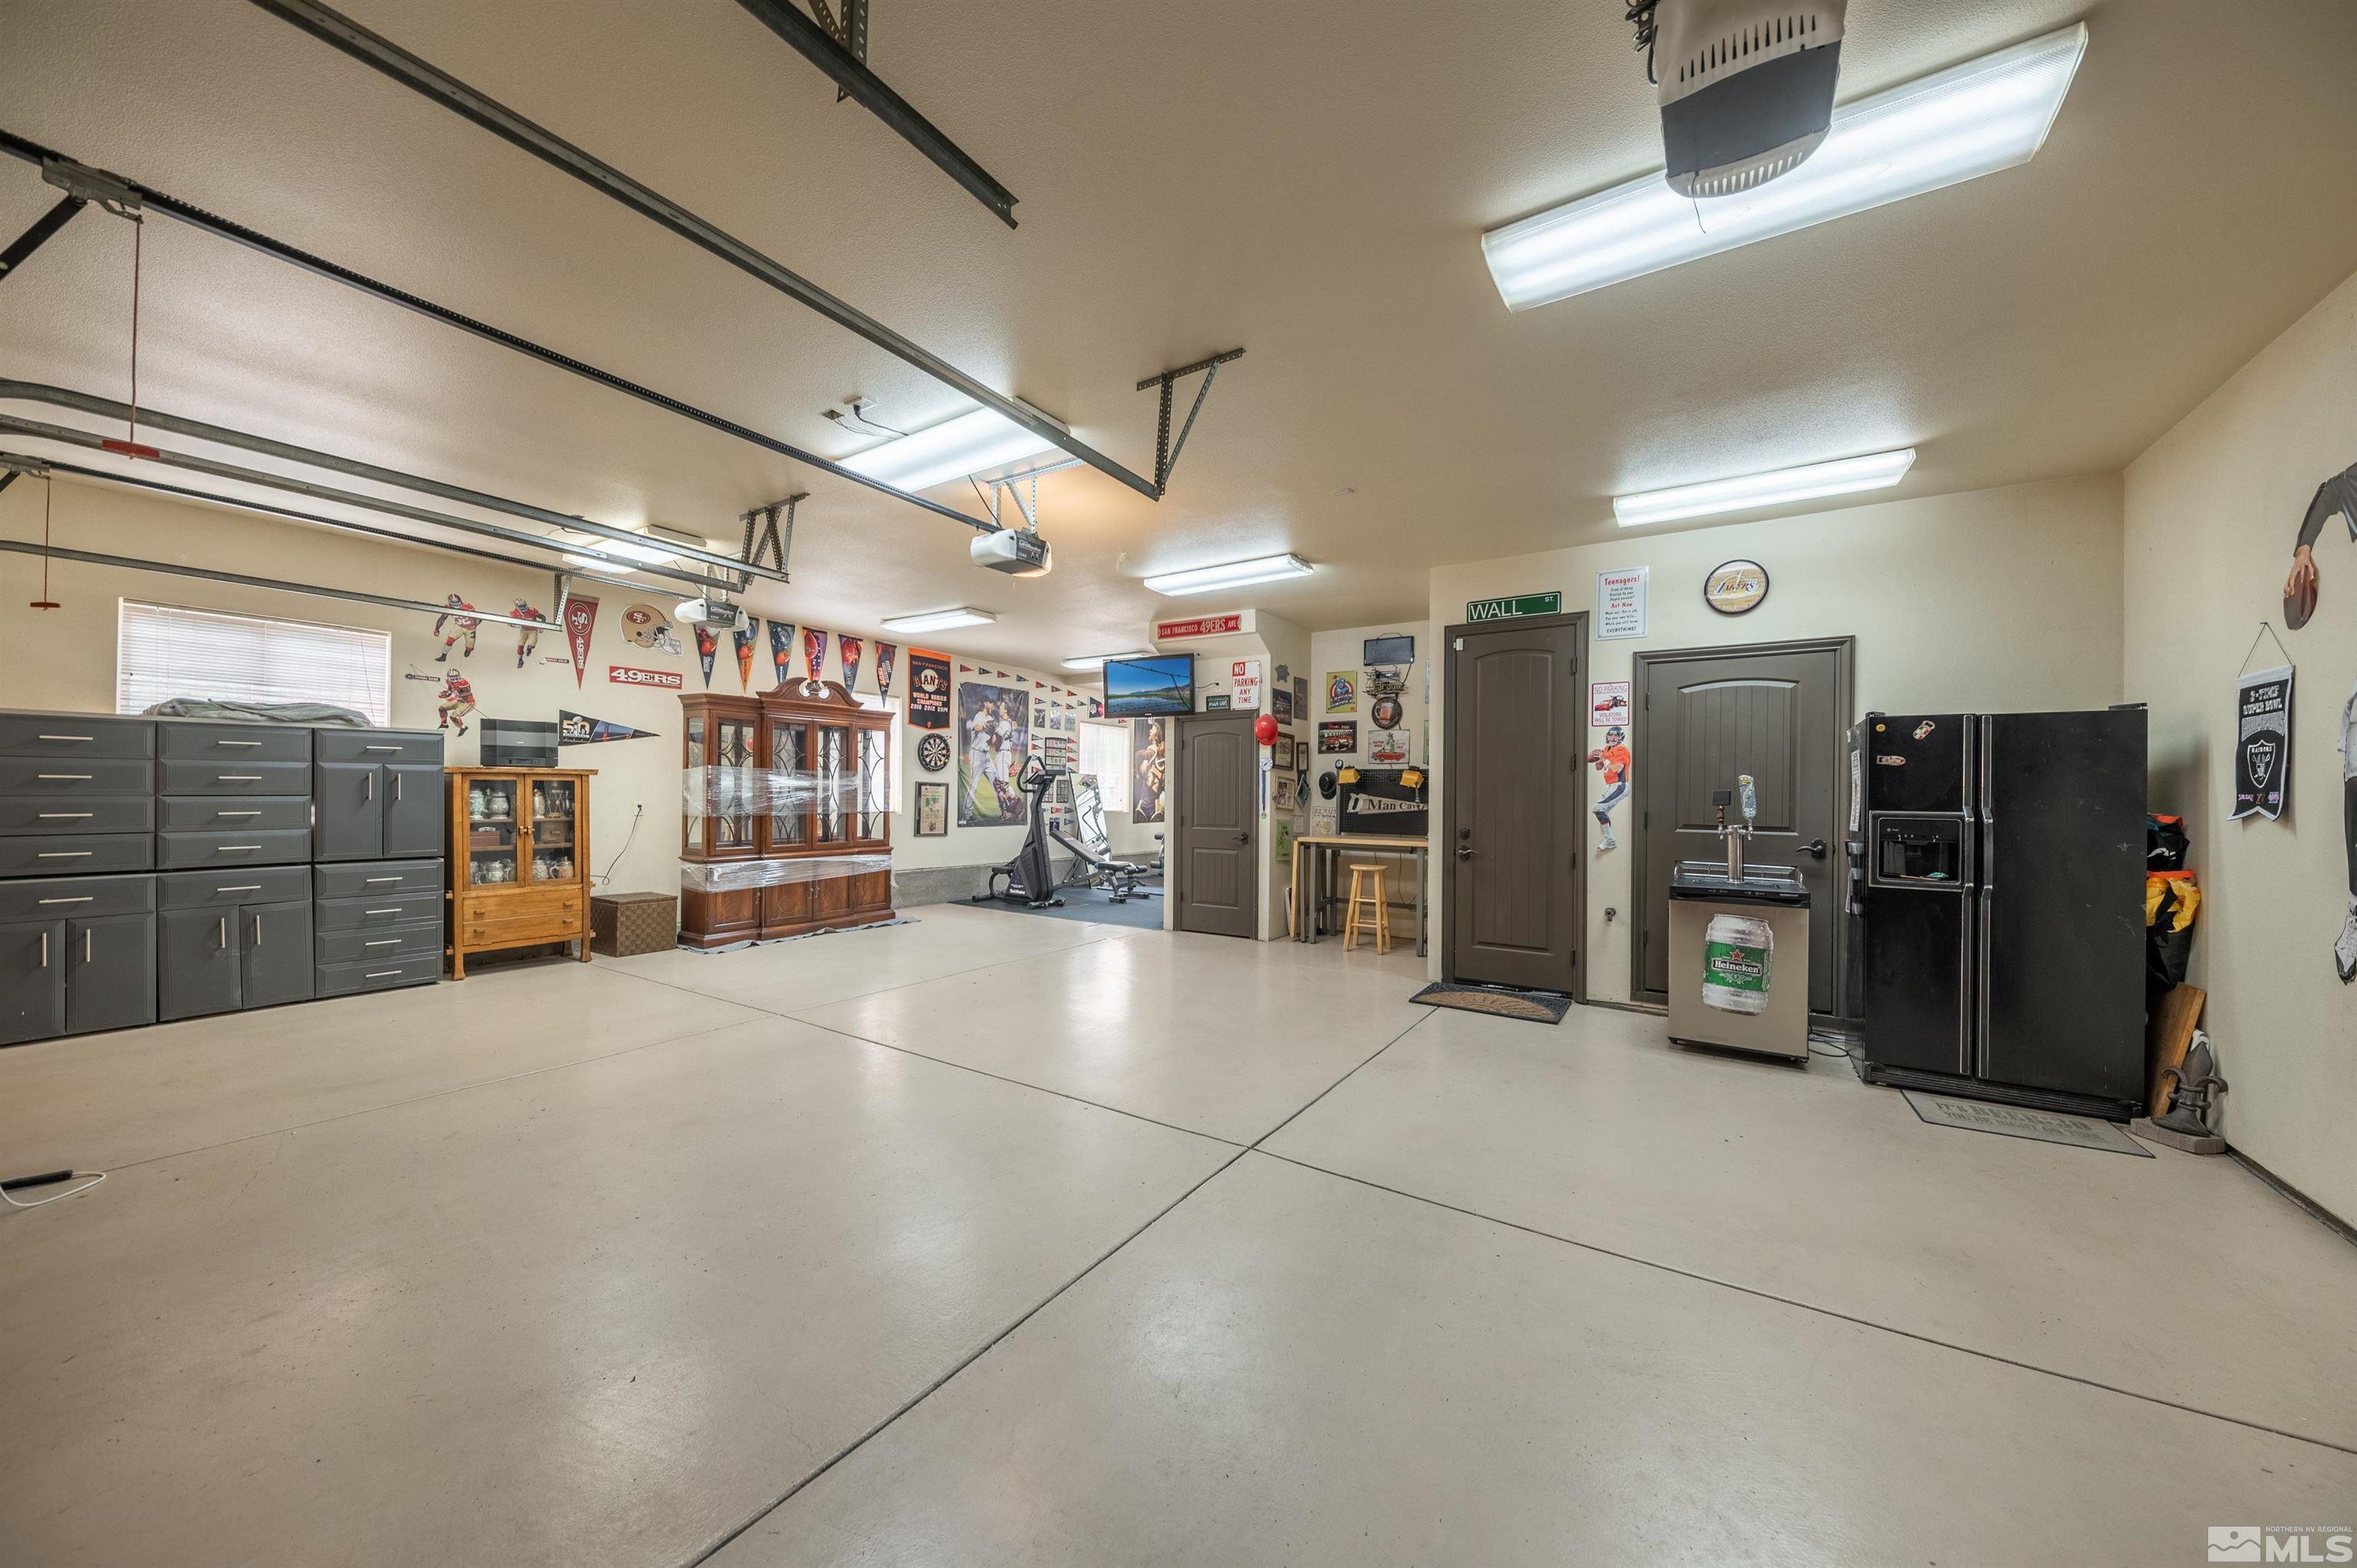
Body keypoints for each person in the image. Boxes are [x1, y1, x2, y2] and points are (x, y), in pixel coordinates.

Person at [1585, 724, 1631, 851]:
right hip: (1611, 785)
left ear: (1620, 737)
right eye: (1610, 735)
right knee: (1601, 811)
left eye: (1615, 735)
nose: (1612, 737)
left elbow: (1617, 769)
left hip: (1620, 785)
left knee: (1598, 808)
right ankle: (1609, 838)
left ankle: (1610, 839)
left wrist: (1604, 759)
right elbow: (1600, 767)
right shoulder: (1607, 748)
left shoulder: (1622, 750)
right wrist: (1597, 759)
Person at [433, 593, 479, 662]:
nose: (457, 606)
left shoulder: (468, 607)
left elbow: (479, 618)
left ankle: (468, 650)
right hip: (459, 626)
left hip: (470, 629)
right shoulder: (448, 608)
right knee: (449, 641)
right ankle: (443, 656)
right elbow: (442, 618)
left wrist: (474, 625)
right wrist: (437, 628)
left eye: (458, 604)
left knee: (468, 651)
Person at [437, 669, 476, 735]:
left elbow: (468, 692)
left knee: (453, 716)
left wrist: (459, 694)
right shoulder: (448, 681)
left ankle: (463, 727)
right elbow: (450, 688)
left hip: (467, 702)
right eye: (452, 677)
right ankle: (444, 724)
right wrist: (448, 693)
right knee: (441, 708)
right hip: (458, 701)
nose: (454, 678)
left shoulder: (463, 683)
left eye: (455, 676)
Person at [510, 599, 546, 668]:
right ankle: (520, 660)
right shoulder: (515, 613)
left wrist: (542, 626)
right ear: (517, 607)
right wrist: (514, 625)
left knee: (531, 645)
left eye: (524, 606)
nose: (523, 608)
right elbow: (510, 622)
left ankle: (529, 649)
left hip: (533, 630)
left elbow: (543, 617)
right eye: (521, 606)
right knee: (520, 646)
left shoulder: (532, 611)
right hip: (524, 630)